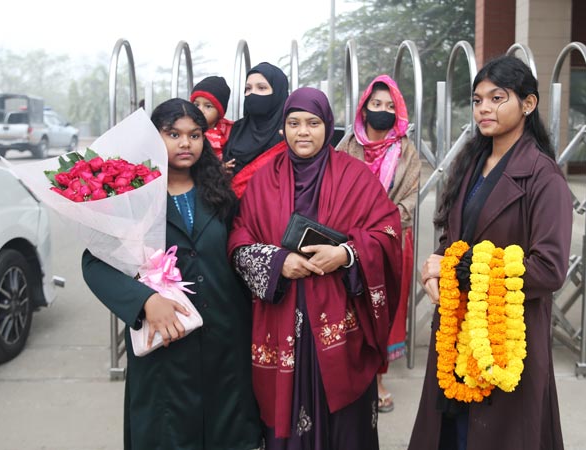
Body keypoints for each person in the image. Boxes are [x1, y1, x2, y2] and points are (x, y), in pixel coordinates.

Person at [408, 55, 572, 450]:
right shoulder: (471, 164)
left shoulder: (543, 176)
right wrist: (434, 273)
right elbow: (456, 239)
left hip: (507, 334)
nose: (484, 108)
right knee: (452, 430)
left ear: (528, 104)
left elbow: (549, 269)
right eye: (478, 99)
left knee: (494, 436)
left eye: (497, 98)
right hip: (458, 323)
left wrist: (460, 269)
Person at [228, 87, 403, 449]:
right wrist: (278, 261)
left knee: (344, 425)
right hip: (281, 321)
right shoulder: (263, 179)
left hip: (340, 322)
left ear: (328, 126)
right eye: (293, 123)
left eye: (312, 123)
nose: (302, 132)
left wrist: (347, 254)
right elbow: (238, 240)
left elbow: (387, 232)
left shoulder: (355, 175)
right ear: (283, 128)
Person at [82, 98, 261, 449]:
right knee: (167, 431)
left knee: (227, 428)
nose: (185, 143)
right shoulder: (129, 195)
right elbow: (95, 262)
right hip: (166, 338)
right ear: (154, 138)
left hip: (224, 336)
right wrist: (144, 301)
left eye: (194, 135)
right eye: (173, 134)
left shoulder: (219, 192)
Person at [336, 74, 420, 413]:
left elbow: (411, 198)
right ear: (364, 108)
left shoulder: (406, 151)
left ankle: (378, 378)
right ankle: (351, 373)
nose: (382, 111)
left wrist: (380, 231)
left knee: (385, 311)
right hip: (349, 243)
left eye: (389, 106)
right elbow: (334, 192)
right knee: (350, 308)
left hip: (392, 243)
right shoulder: (347, 146)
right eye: (376, 104)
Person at [223, 62, 289, 197]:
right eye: (248, 89)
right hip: (230, 210)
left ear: (278, 93)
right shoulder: (236, 129)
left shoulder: (289, 133)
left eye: (262, 88)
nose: (252, 93)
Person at [190, 75, 234, 160]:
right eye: (196, 105)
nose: (200, 110)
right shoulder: (187, 128)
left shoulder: (230, 130)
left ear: (219, 112)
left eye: (208, 106)